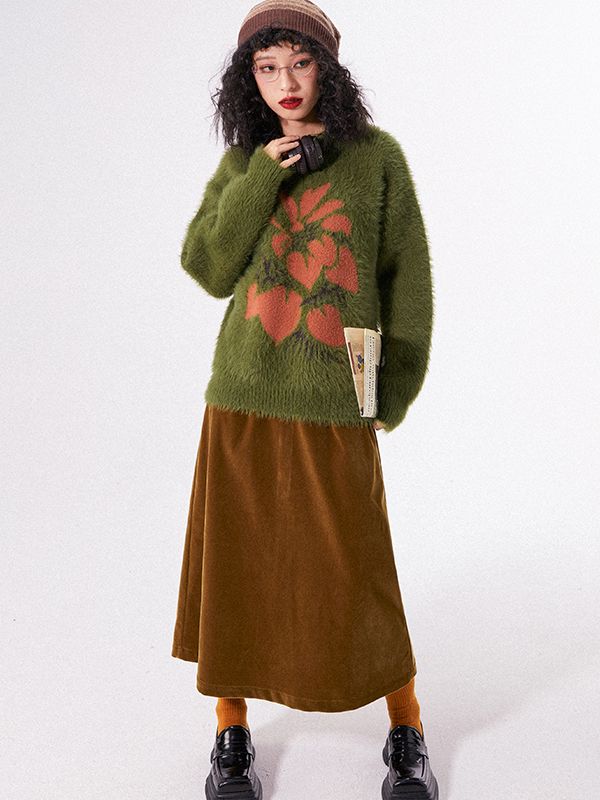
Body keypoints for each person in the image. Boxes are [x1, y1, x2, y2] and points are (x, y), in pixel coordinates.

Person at [171, 2, 439, 798]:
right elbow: (208, 266)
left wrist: (395, 386)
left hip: (337, 398)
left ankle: (407, 725)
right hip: (243, 398)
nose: (285, 82)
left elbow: (407, 278)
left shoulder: (376, 159)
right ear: (247, 79)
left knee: (358, 567)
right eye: (267, 68)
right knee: (239, 566)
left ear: (327, 67)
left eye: (299, 63)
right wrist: (263, 174)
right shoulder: (244, 162)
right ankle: (230, 730)